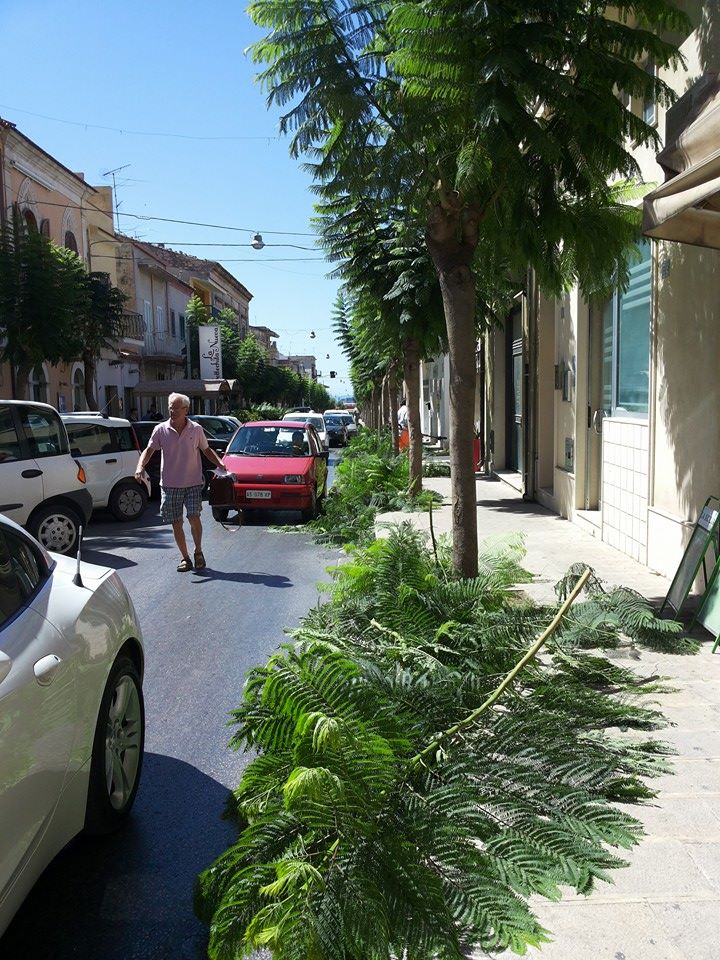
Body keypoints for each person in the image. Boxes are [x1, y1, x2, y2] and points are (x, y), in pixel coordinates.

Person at [134, 392, 227, 572]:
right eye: (170, 407)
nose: (172, 411)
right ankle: (185, 558)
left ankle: (198, 551)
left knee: (194, 517)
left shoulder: (196, 429)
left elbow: (206, 450)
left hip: (192, 482)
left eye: (176, 408)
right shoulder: (160, 429)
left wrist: (220, 463)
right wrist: (140, 466)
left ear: (186, 409)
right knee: (176, 523)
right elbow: (149, 450)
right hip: (169, 485)